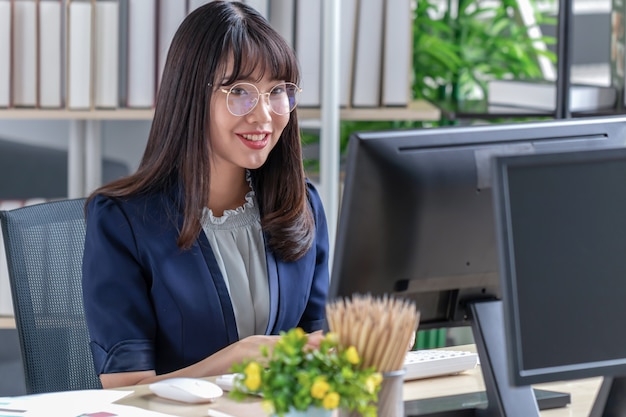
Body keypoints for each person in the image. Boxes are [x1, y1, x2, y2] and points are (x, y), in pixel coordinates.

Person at [81, 1, 329, 389]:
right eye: (240, 91)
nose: (264, 115)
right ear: (192, 96)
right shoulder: (121, 220)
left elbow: (320, 344)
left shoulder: (301, 204)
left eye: (277, 91)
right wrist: (237, 358)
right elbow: (125, 389)